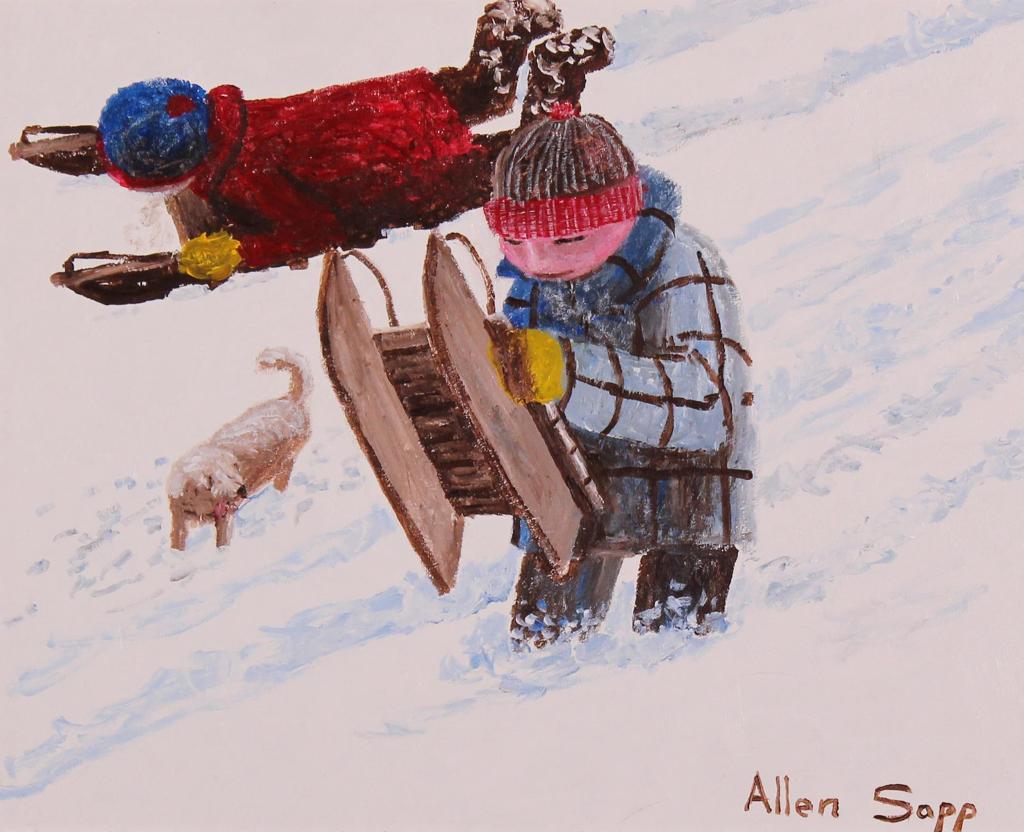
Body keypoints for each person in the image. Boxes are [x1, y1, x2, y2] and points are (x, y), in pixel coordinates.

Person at [483, 107, 755, 649]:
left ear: (619, 216)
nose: (539, 261)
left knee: (676, 648)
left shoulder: (681, 263)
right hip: (576, 492)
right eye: (519, 241)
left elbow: (707, 409)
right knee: (540, 650)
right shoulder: (533, 287)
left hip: (685, 498)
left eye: (567, 240)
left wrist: (567, 374)